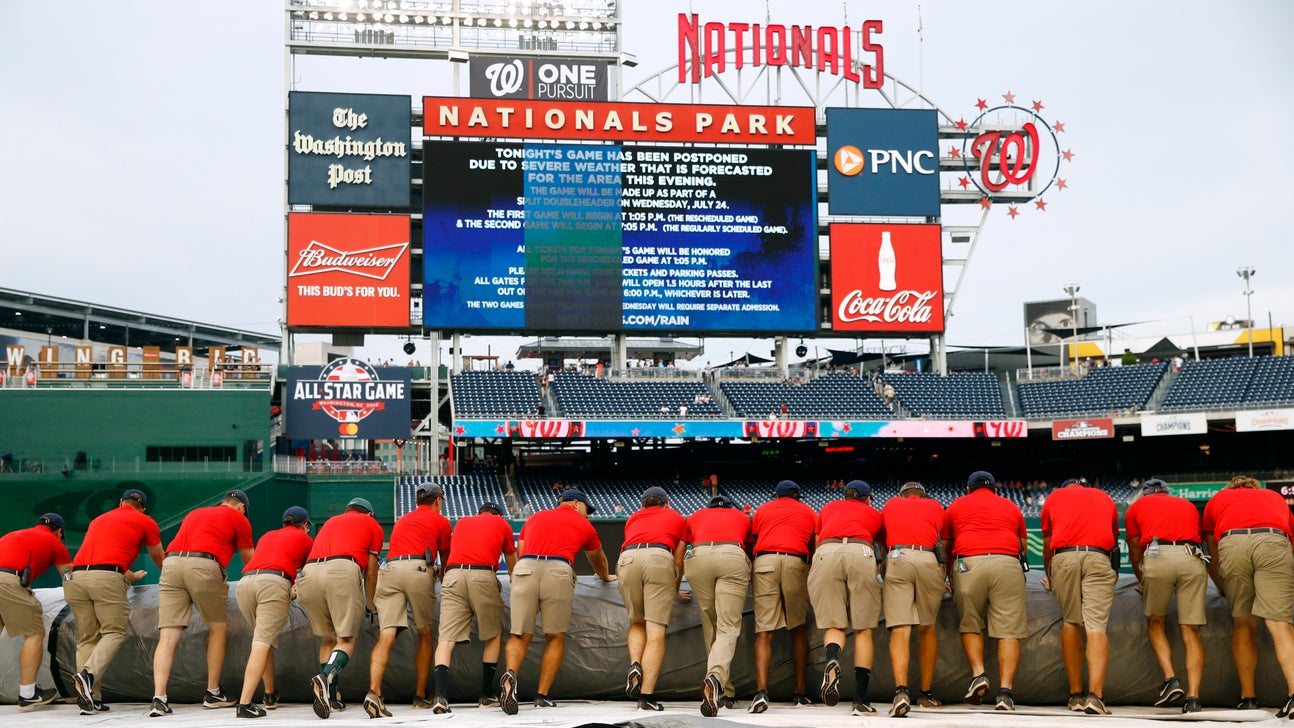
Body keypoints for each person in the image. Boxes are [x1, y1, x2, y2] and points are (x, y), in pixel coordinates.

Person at [498, 489, 615, 715]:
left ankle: (511, 675)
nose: (588, 514)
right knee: (555, 635)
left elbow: (521, 549)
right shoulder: (584, 525)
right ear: (575, 503)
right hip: (558, 569)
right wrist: (605, 577)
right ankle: (541, 696)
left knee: (519, 634)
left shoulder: (535, 517)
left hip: (525, 567)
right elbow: (598, 560)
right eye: (587, 509)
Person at [150, 490, 255, 717]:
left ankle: (159, 698)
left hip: (171, 564)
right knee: (217, 629)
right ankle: (213, 692)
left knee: (167, 636)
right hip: (203, 564)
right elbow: (250, 560)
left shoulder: (195, 513)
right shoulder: (239, 519)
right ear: (241, 507)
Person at [66, 488, 164, 715]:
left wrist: (128, 574)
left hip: (75, 577)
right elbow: (159, 557)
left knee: (87, 637)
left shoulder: (99, 520)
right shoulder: (145, 521)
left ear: (121, 502)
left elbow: (102, 557)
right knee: (114, 632)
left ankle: (91, 699)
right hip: (106, 579)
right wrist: (171, 578)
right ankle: (87, 675)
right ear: (143, 508)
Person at [1203, 475, 1294, 715]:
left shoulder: (1218, 499)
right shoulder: (1274, 496)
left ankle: (1248, 698)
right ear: (1255, 487)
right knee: (1279, 624)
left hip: (1232, 542)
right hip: (1273, 540)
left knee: (1243, 623)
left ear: (1231, 488)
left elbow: (1212, 549)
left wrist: (1219, 585)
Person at [365, 485, 452, 718]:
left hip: (390, 569)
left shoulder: (403, 520)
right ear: (437, 501)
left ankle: (374, 692)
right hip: (418, 569)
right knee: (425, 632)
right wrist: (444, 582)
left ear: (417, 502)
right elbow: (446, 561)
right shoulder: (441, 521)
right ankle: (420, 696)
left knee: (386, 634)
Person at [943, 471, 1028, 712]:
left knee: (970, 622)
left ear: (968, 489)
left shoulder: (956, 505)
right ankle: (1005, 693)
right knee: (1009, 630)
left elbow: (947, 545)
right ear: (996, 490)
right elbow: (1023, 546)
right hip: (1007, 562)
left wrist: (948, 575)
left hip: (969, 562)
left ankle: (979, 674)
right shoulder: (1011, 506)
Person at [298, 497, 385, 720]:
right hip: (342, 570)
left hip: (309, 573)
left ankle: (333, 698)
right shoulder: (371, 524)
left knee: (328, 637)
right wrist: (370, 604)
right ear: (369, 513)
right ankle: (325, 678)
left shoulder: (331, 521)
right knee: (346, 639)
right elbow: (371, 573)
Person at [1124, 479, 1206, 714]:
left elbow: (1134, 549)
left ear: (1145, 494)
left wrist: (1142, 580)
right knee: (1191, 629)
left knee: (1156, 621)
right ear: (1167, 492)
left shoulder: (1136, 507)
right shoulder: (1187, 505)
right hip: (1192, 556)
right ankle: (1193, 698)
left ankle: (1170, 680)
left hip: (1157, 554)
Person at [1040, 477, 1119, 715]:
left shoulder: (1054, 497)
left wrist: (1050, 576)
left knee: (1071, 621)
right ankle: (1095, 697)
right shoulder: (1104, 497)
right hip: (1098, 556)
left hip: (1063, 557)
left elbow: (1047, 546)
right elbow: (1115, 542)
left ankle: (1075, 695)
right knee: (1095, 626)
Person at [431, 502, 517, 713]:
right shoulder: (501, 524)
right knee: (493, 635)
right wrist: (517, 585)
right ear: (498, 515)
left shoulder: (462, 522)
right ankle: (485, 695)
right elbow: (512, 561)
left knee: (446, 639)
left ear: (479, 513)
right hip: (482, 574)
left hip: (453, 575)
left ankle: (440, 696)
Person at [809, 480, 883, 715]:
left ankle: (832, 658)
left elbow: (817, 540)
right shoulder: (874, 514)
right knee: (863, 629)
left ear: (845, 496)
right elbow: (883, 546)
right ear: (867, 499)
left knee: (835, 625)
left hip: (826, 551)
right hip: (861, 551)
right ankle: (860, 700)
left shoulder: (828, 508)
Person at [233, 506, 314, 719]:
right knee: (261, 643)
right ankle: (245, 704)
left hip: (245, 584)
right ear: (305, 525)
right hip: (272, 583)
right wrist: (296, 590)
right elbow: (311, 572)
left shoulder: (268, 536)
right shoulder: (305, 539)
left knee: (264, 641)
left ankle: (269, 694)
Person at [618, 486, 691, 712]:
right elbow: (678, 560)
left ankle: (635, 664)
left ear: (642, 506)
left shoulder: (633, 518)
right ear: (666, 504)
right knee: (656, 632)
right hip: (659, 557)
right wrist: (675, 589)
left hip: (627, 558)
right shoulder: (677, 517)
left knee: (636, 622)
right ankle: (646, 697)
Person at [748, 480, 816, 713]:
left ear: (776, 496)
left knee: (764, 631)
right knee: (798, 628)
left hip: (765, 560)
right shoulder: (809, 512)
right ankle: (800, 694)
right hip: (796, 560)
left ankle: (761, 692)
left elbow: (754, 541)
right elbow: (813, 547)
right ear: (798, 496)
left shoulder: (762, 510)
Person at [880, 481, 948, 716]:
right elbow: (945, 544)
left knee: (901, 628)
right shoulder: (936, 506)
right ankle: (926, 695)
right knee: (927, 627)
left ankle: (901, 691)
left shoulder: (891, 504)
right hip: (929, 558)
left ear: (903, 495)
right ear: (922, 495)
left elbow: (883, 540)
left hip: (898, 555)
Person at [686, 495, 752, 716]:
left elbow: (684, 544)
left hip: (698, 557)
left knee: (711, 626)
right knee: (727, 627)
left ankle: (724, 691)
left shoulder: (696, 516)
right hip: (731, 556)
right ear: (730, 507)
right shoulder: (741, 517)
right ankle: (715, 678)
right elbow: (749, 547)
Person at [0, 513, 71, 711]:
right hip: (9, 582)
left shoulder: (12, 535)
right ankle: (28, 694)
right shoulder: (55, 543)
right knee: (34, 634)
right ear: (59, 531)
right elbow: (69, 577)